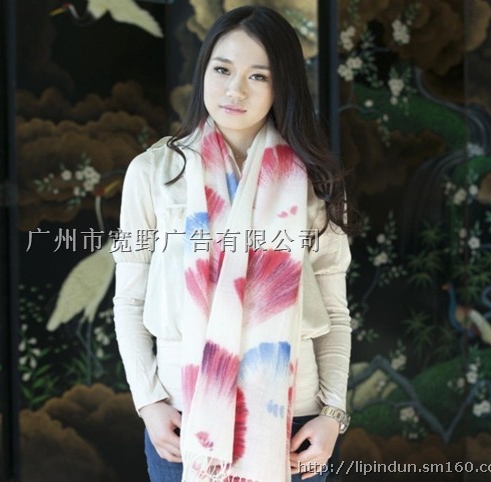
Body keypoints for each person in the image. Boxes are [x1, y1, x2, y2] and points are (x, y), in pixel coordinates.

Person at [113, 6, 356, 482]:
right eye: (222, 69)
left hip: (295, 421)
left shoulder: (315, 180)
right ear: (203, 71)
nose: (235, 90)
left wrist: (332, 413)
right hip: (181, 417)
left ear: (283, 86)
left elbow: (335, 311)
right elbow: (129, 300)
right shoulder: (155, 173)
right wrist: (148, 402)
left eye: (258, 76)